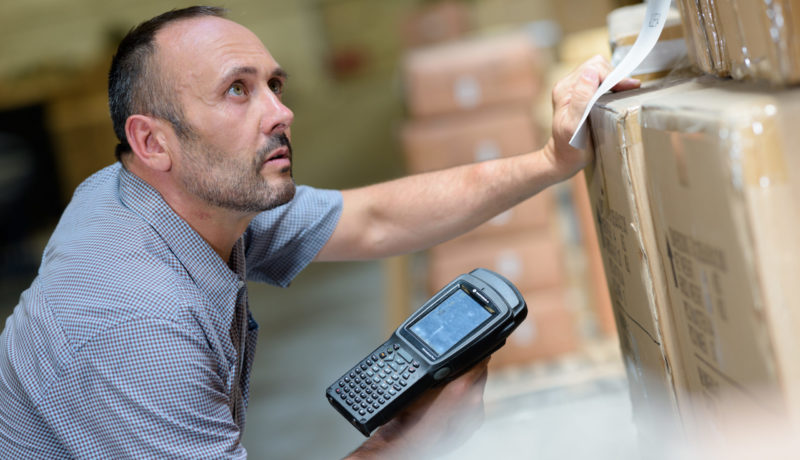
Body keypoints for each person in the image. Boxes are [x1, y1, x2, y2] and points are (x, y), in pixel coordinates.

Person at [0, 5, 638, 459]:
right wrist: (409, 443)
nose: (282, 112)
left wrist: (551, 162)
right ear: (152, 141)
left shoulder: (157, 196)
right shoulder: (135, 329)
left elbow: (376, 217)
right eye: (237, 91)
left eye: (273, 84)